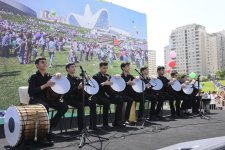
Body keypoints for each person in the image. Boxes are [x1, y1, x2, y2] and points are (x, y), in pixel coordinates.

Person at [28, 57, 68, 145]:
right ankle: (43, 135)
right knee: (45, 106)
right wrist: (45, 85)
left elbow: (56, 77)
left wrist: (58, 74)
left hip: (47, 100)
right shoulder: (33, 77)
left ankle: (49, 125)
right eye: (42, 62)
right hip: (35, 99)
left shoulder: (48, 76)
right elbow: (31, 92)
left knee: (64, 106)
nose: (45, 64)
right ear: (37, 65)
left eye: (46, 62)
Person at [91, 61, 125, 129]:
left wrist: (115, 81)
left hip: (107, 96)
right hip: (98, 97)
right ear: (100, 68)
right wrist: (103, 83)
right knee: (106, 102)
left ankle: (116, 122)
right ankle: (105, 124)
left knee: (120, 100)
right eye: (104, 68)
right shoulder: (95, 76)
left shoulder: (108, 76)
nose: (105, 70)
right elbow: (95, 88)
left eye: (106, 68)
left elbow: (109, 89)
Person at [63, 63, 96, 131]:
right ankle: (82, 128)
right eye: (72, 67)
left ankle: (93, 125)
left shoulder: (77, 78)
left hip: (79, 98)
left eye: (74, 67)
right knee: (81, 105)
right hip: (69, 99)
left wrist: (87, 80)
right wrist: (78, 87)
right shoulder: (65, 79)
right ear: (67, 69)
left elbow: (85, 86)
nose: (74, 68)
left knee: (92, 102)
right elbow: (67, 93)